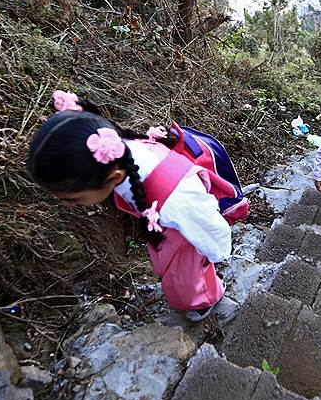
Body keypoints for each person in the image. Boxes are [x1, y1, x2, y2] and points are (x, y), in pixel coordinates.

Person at [26, 91, 241, 322]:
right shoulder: (118, 152)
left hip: (185, 224)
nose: (67, 205)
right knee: (172, 267)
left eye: (73, 199)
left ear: (114, 177)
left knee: (184, 274)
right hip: (167, 219)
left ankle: (205, 300)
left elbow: (207, 224)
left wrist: (215, 252)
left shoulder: (175, 196)